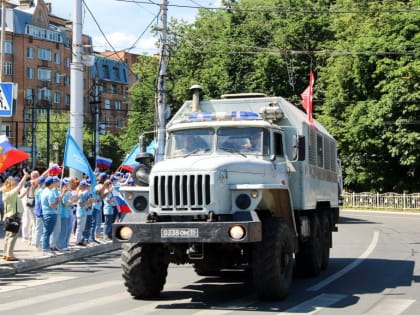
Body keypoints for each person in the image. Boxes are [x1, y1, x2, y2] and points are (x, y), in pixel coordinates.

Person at [2, 170, 30, 261]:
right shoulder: (10, 193)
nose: (15, 184)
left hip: (10, 215)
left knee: (8, 235)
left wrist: (26, 192)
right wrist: (25, 176)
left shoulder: (7, 194)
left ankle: (5, 254)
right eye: (13, 183)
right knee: (13, 235)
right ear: (9, 185)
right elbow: (19, 186)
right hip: (14, 215)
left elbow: (19, 197)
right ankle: (10, 254)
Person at [40, 176, 61, 254]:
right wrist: (58, 201)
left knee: (47, 231)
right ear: (51, 183)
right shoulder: (49, 192)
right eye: (54, 182)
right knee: (48, 231)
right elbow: (52, 205)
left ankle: (45, 247)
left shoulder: (45, 191)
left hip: (46, 212)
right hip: (50, 213)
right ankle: (45, 248)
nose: (56, 183)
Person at [57, 178, 76, 250]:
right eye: (68, 183)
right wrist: (72, 200)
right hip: (64, 214)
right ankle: (61, 245)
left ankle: (65, 244)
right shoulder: (63, 192)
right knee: (63, 230)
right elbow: (65, 203)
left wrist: (74, 199)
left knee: (68, 230)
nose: (70, 184)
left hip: (69, 213)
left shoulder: (69, 192)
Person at [75, 180, 95, 246]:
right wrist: (88, 201)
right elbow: (80, 204)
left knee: (82, 228)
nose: (87, 186)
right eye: (85, 185)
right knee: (80, 228)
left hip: (84, 212)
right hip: (81, 212)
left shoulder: (85, 193)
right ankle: (77, 241)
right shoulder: (81, 193)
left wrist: (90, 202)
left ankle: (80, 240)